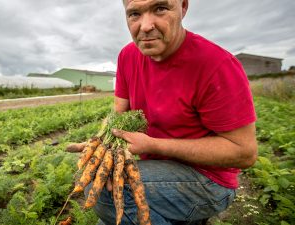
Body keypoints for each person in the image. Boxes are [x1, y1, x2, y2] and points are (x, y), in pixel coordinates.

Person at [69, 0, 258, 224]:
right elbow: (119, 116)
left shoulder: (216, 65)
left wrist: (153, 144)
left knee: (105, 196)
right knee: (107, 199)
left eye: (160, 8)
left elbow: (245, 153)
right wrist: (101, 146)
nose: (146, 25)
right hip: (158, 167)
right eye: (135, 14)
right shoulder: (128, 56)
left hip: (208, 179)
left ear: (183, 7)